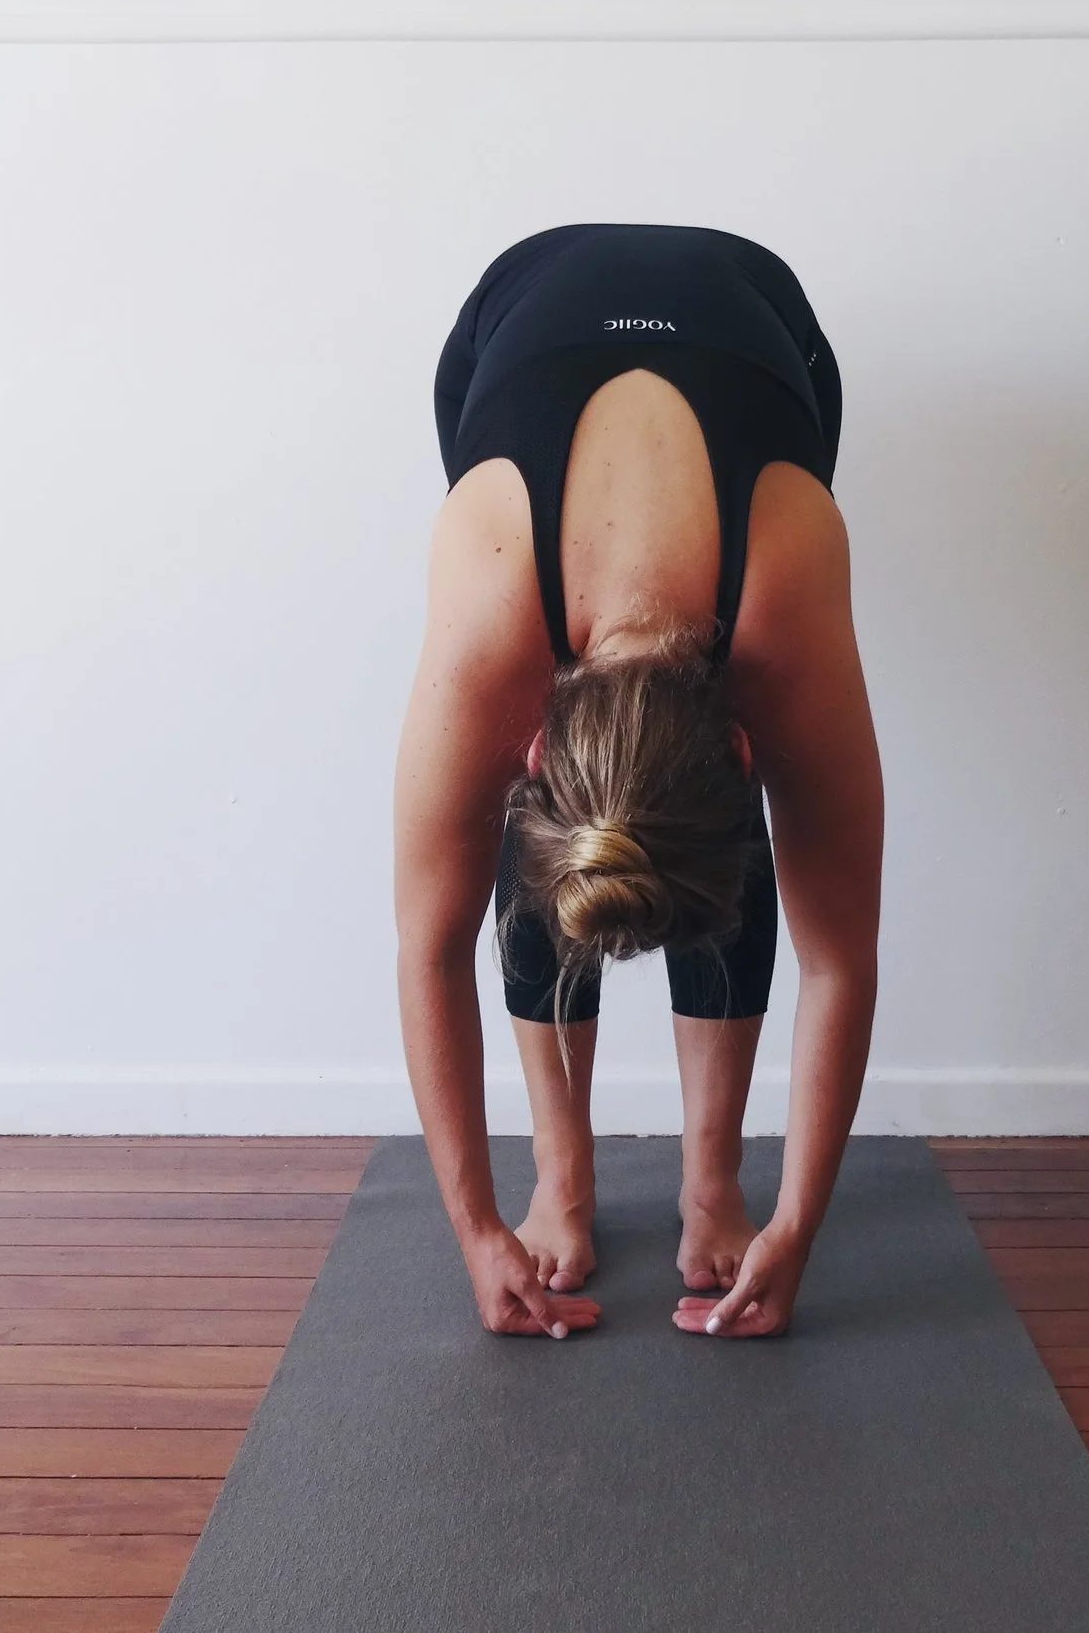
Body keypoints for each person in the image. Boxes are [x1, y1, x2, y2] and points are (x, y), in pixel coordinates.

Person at [394, 223, 883, 1341]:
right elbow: (427, 945)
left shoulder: (787, 589)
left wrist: (794, 1222)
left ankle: (711, 1178)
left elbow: (840, 955)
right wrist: (477, 1228)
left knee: (655, 817)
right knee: (574, 828)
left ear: (748, 747)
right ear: (525, 739)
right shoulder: (489, 611)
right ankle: (560, 1171)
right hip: (506, 332)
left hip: (768, 335)